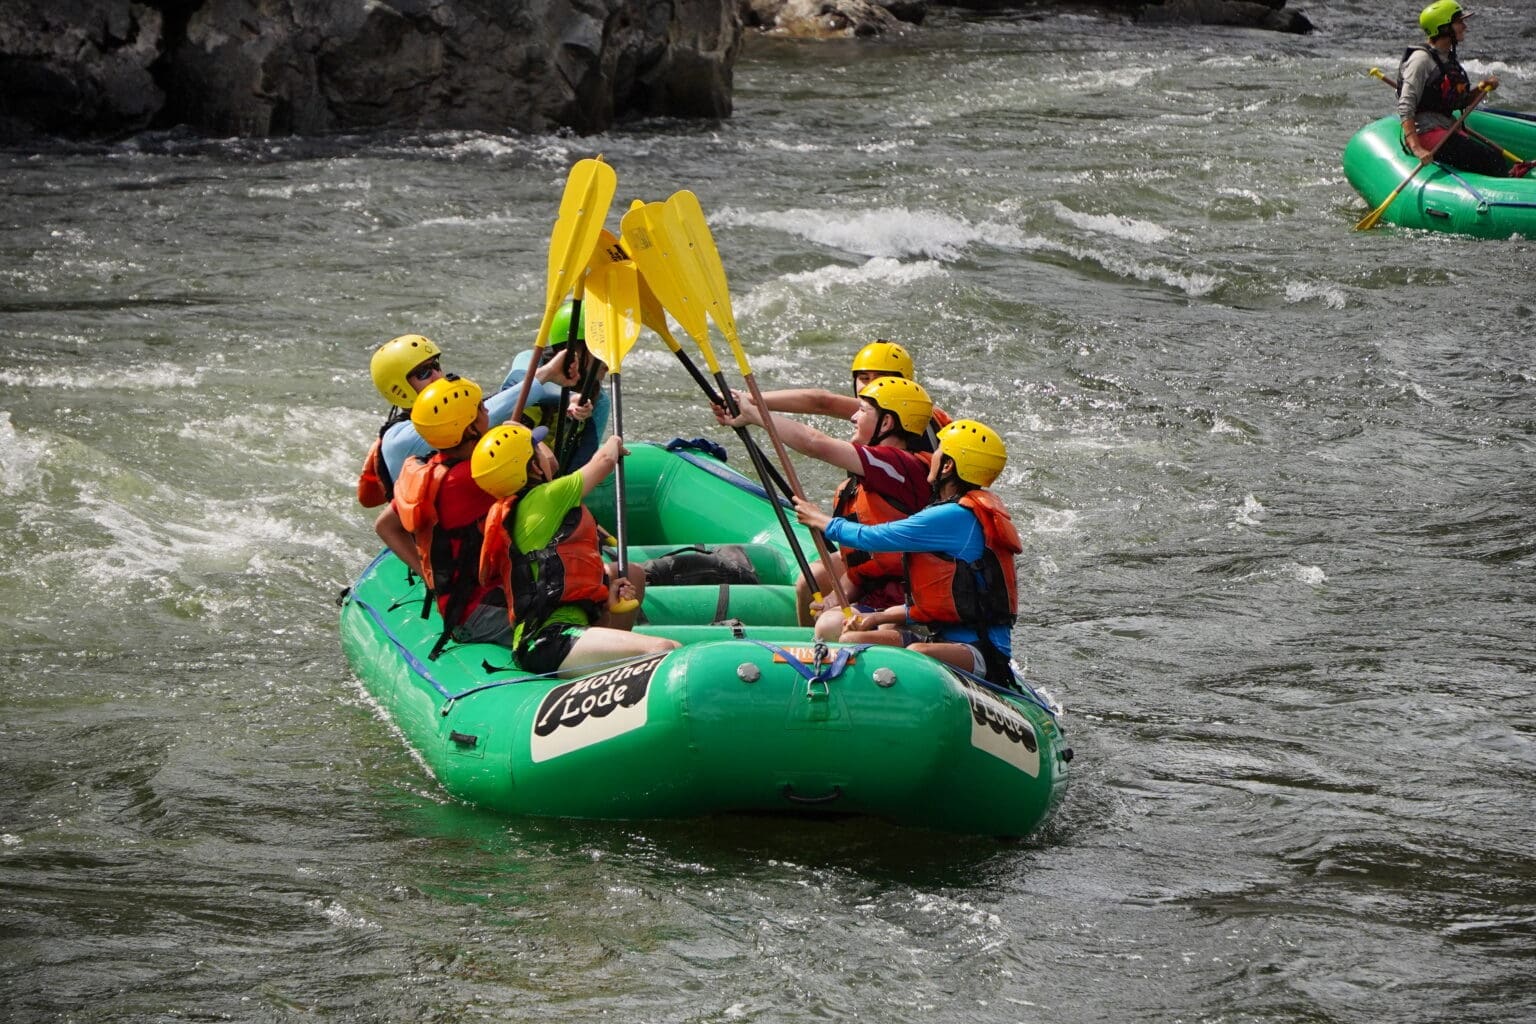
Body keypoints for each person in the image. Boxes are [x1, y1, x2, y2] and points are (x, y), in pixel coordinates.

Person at [793, 420, 1023, 689]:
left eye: (938, 452)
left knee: (915, 657)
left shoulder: (954, 517)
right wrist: (878, 618)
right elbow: (938, 603)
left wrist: (821, 521)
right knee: (849, 640)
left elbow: (877, 537)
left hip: (978, 650)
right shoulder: (953, 511)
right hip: (942, 637)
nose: (931, 455)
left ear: (948, 466)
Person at [715, 376, 934, 628]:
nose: (852, 418)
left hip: (911, 601)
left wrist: (756, 415)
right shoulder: (852, 488)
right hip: (879, 593)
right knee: (820, 599)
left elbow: (814, 443)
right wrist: (833, 599)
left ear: (886, 422)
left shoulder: (900, 467)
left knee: (830, 625)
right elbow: (861, 565)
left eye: (862, 411)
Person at [473, 423, 679, 678]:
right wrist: (615, 441)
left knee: (664, 638)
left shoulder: (521, 508)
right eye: (537, 449)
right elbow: (604, 460)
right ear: (534, 467)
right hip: (547, 640)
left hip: (561, 632)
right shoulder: (548, 497)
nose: (545, 453)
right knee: (664, 649)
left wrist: (605, 601)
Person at [373, 377, 521, 657]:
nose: (488, 411)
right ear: (469, 427)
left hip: (463, 605)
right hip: (484, 612)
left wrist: (431, 579)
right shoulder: (476, 477)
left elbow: (385, 526)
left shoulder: (432, 467)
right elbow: (549, 475)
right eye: (481, 407)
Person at [358, 333, 527, 507]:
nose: (438, 376)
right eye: (423, 373)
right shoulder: (402, 438)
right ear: (398, 390)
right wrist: (542, 378)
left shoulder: (447, 412)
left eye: (436, 366)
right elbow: (485, 414)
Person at [1398, 3, 1533, 178]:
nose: (1464, 26)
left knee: (1492, 158)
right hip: (1425, 132)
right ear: (1444, 27)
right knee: (1492, 161)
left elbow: (1459, 100)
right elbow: (1405, 105)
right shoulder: (1421, 61)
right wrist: (1417, 148)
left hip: (1445, 126)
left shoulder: (1446, 57)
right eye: (1459, 22)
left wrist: (1481, 88)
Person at [756, 340, 951, 446]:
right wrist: (749, 401)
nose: (871, 387)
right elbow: (822, 403)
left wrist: (752, 407)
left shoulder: (900, 420)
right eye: (864, 378)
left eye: (881, 378)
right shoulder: (909, 410)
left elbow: (821, 407)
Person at [502, 299, 611, 472]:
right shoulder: (530, 360)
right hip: (505, 457)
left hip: (546, 474)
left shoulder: (600, 400)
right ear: (574, 349)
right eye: (601, 351)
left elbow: (585, 452)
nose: (609, 362)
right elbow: (518, 383)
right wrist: (569, 398)